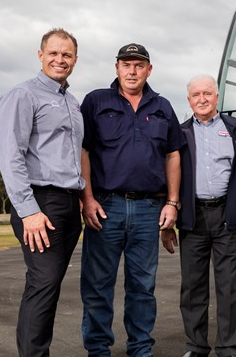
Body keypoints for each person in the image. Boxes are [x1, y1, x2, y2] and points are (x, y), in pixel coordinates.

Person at [79, 43, 185, 357]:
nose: (132, 71)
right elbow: (82, 150)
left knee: (142, 287)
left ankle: (140, 349)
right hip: (105, 207)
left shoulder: (162, 106)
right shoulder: (96, 101)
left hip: (147, 209)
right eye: (126, 64)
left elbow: (173, 154)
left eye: (139, 65)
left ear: (149, 70)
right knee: (97, 286)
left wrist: (173, 202)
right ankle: (98, 350)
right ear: (116, 68)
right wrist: (86, 198)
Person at [161, 74, 236, 357]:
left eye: (207, 93)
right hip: (192, 219)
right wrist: (168, 224)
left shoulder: (235, 129)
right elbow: (169, 178)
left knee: (228, 287)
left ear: (217, 97)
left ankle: (227, 348)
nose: (202, 99)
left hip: (227, 217)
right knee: (192, 288)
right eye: (196, 95)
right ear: (189, 100)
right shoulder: (180, 133)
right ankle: (196, 347)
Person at [0, 27, 84, 357]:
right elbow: (10, 154)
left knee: (45, 287)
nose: (60, 59)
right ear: (40, 55)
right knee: (44, 283)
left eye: (66, 55)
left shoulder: (73, 103)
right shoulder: (23, 94)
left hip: (68, 204)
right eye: (53, 53)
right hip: (39, 204)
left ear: (75, 60)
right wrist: (29, 211)